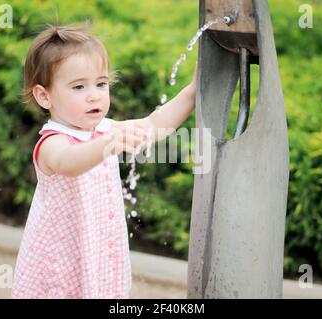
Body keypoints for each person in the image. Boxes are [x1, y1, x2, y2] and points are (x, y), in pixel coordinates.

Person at [11, 24, 197, 299]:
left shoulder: (105, 130)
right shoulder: (53, 142)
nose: (94, 94)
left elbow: (153, 125)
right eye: (78, 86)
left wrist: (192, 93)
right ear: (44, 95)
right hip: (60, 261)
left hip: (96, 252)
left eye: (101, 83)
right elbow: (68, 162)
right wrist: (107, 143)